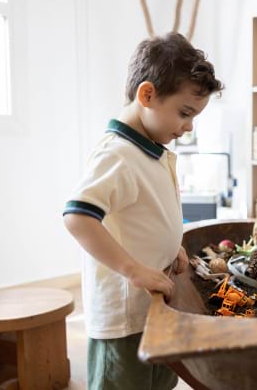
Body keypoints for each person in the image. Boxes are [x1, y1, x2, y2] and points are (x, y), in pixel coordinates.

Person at [63, 32, 223, 390]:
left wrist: (172, 247)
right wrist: (133, 270)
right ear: (147, 95)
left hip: (155, 308)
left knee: (160, 380)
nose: (189, 126)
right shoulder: (117, 154)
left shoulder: (149, 149)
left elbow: (148, 214)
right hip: (124, 318)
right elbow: (77, 216)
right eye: (184, 113)